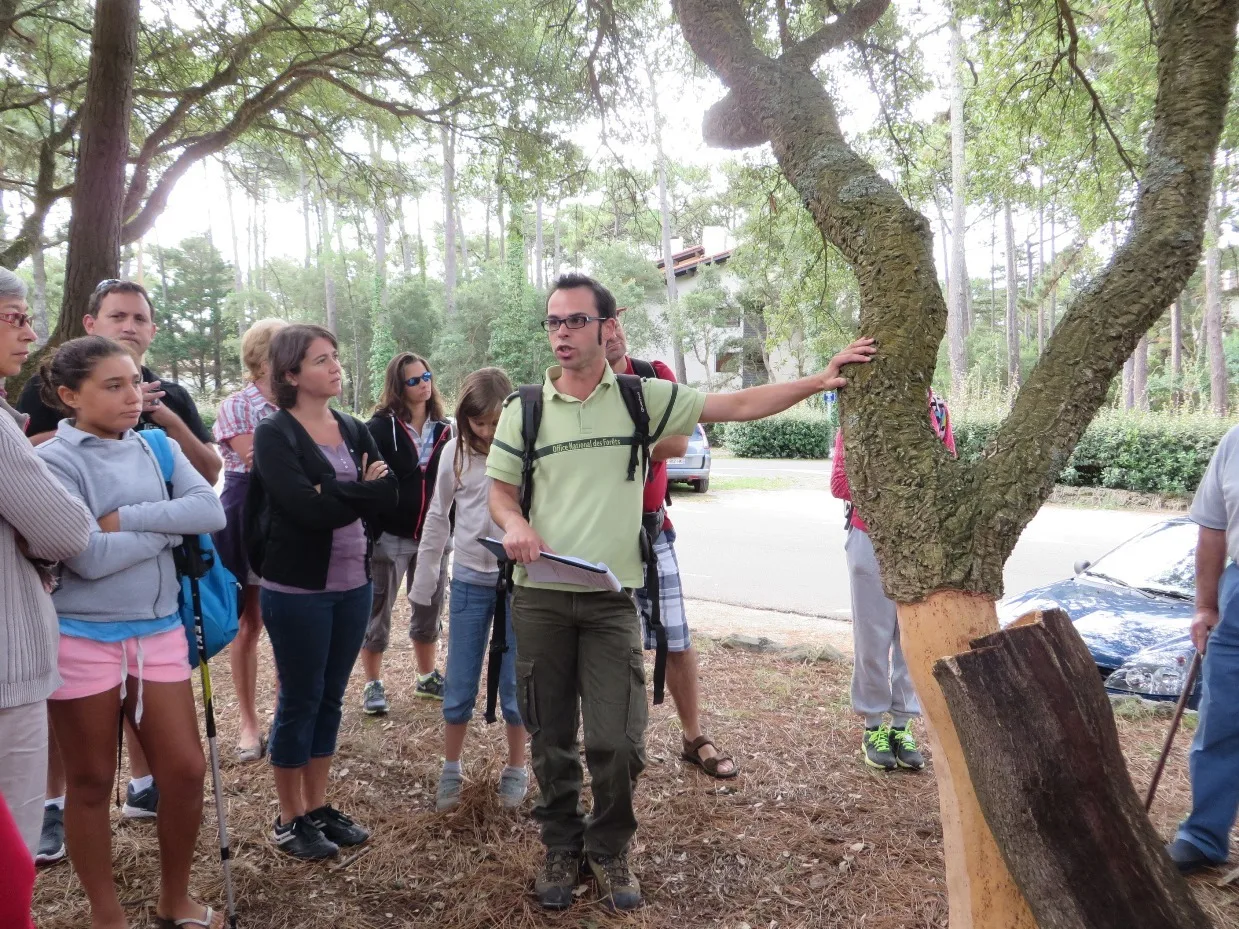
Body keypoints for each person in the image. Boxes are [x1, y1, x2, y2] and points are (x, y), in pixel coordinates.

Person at [487, 272, 874, 911]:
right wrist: (516, 522)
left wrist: (818, 377)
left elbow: (738, 404)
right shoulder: (523, 408)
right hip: (542, 595)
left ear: (605, 326)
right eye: (554, 322)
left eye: (576, 320)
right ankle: (562, 843)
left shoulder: (642, 398)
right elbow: (500, 493)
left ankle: (610, 849)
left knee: (619, 741)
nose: (562, 333)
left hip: (613, 598)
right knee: (552, 734)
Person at [19, 280, 221, 859]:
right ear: (69, 395)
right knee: (89, 783)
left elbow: (208, 510)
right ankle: (105, 917)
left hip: (158, 627)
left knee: (185, 771)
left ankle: (175, 901)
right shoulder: (51, 460)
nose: (132, 395)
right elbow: (86, 555)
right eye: (113, 386)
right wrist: (167, 528)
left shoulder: (158, 445)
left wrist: (124, 519)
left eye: (135, 381)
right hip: (82, 634)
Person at [248, 324, 398, 861]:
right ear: (291, 374)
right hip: (297, 591)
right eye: (320, 360)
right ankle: (289, 820)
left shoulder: (353, 428)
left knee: (331, 698)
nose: (335, 367)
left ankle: (317, 807)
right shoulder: (276, 434)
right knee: (300, 698)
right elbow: (302, 511)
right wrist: (361, 490)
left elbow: (392, 493)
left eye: (335, 356)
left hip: (353, 584)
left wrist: (334, 491)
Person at [604, 316, 736, 778]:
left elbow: (678, 441)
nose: (612, 332)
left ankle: (693, 735)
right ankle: (611, 740)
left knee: (675, 638)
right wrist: (642, 439)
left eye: (614, 320)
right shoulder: (574, 387)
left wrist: (609, 443)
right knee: (606, 644)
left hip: (652, 530)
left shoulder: (656, 375)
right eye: (598, 325)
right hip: (597, 536)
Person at [0, 270, 92, 860]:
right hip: (6, 668)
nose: (30, 333)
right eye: (14, 318)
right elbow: (68, 530)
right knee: (12, 846)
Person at [409, 367, 527, 812]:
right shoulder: (453, 454)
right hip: (470, 581)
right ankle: (451, 767)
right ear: (465, 419)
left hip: (519, 582)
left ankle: (517, 767)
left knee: (517, 681)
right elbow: (439, 516)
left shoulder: (524, 451)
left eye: (496, 423)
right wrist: (425, 583)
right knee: (459, 678)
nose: (487, 432)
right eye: (479, 423)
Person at [830, 391, 954, 771]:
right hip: (869, 539)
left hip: (921, 543)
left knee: (912, 638)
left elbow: (947, 471)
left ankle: (901, 725)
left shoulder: (937, 412)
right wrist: (903, 488)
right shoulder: (862, 411)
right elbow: (839, 483)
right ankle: (873, 726)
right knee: (872, 638)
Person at [359, 352, 452, 713]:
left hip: (434, 535)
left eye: (426, 376)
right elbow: (368, 476)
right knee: (378, 607)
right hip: (391, 535)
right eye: (413, 380)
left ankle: (427, 678)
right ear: (398, 386)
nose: (422, 384)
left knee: (429, 604)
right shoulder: (379, 428)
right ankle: (372, 684)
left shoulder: (446, 427)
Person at [212, 318, 287, 762]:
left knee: (286, 619)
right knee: (249, 622)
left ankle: (283, 712)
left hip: (290, 518)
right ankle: (247, 721)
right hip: (247, 514)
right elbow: (260, 462)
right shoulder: (239, 405)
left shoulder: (299, 403)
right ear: (260, 360)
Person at [1167, 424, 1239, 873]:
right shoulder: (1236, 441)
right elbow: (1212, 530)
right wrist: (1205, 605)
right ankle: (1204, 836)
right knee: (1221, 720)